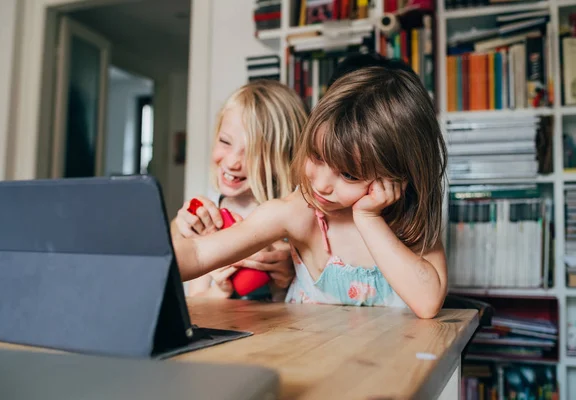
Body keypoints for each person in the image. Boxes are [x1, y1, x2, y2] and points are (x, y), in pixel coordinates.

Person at [174, 65, 448, 319]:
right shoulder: (297, 211)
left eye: (349, 175)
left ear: (396, 175)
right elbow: (198, 254)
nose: (321, 185)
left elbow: (427, 302)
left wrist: (369, 219)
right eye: (316, 157)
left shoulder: (408, 223)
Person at [171, 79, 308, 300]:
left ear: (281, 158)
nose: (233, 162)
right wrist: (221, 290)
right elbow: (196, 301)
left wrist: (284, 283)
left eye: (252, 153)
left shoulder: (293, 216)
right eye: (225, 142)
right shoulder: (210, 216)